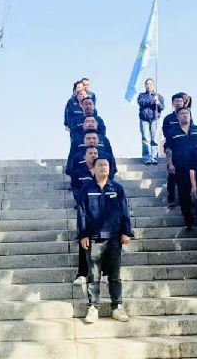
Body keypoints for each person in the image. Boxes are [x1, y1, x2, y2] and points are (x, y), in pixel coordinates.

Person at [78, 156, 133, 324]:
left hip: (114, 237)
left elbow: (124, 211)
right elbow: (82, 213)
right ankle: (93, 307)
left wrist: (126, 232)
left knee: (115, 275)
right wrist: (83, 234)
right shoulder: (87, 189)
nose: (103, 167)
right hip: (94, 238)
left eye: (106, 165)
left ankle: (117, 307)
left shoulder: (117, 188)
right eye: (100, 165)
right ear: (93, 169)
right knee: (93, 275)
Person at [165, 107, 197, 228]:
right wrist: (170, 164)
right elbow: (168, 149)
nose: (185, 115)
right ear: (177, 117)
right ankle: (188, 220)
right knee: (183, 192)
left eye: (187, 113)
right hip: (181, 166)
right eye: (182, 113)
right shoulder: (172, 133)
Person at [71, 145, 98, 286]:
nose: (93, 155)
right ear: (85, 156)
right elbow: (75, 189)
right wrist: (81, 201)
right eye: (90, 153)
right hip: (85, 210)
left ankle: (105, 273)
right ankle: (82, 274)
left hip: (102, 211)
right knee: (84, 240)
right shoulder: (79, 173)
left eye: (95, 153)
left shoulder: (102, 170)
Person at [162, 92, 189, 207]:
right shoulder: (168, 118)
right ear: (172, 103)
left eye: (180, 101)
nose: (178, 103)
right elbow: (166, 133)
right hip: (172, 148)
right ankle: (171, 198)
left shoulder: (187, 115)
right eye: (176, 101)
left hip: (186, 151)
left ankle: (188, 199)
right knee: (172, 176)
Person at [137, 78, 164, 165]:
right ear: (145, 86)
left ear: (154, 85)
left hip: (155, 119)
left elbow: (162, 107)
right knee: (146, 139)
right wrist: (152, 100)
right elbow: (141, 103)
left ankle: (154, 157)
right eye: (147, 84)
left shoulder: (158, 96)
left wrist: (158, 103)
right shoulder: (141, 95)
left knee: (155, 139)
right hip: (144, 119)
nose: (149, 86)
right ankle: (147, 158)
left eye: (151, 84)